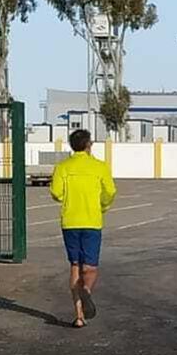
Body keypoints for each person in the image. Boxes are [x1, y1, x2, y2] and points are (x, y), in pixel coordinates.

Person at [49, 128, 117, 328]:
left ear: (72, 146)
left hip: (70, 221)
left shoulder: (63, 167)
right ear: (89, 145)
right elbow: (110, 191)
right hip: (92, 221)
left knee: (75, 266)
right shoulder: (100, 167)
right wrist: (102, 206)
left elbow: (56, 193)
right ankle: (86, 290)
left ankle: (79, 316)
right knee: (90, 267)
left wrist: (68, 198)